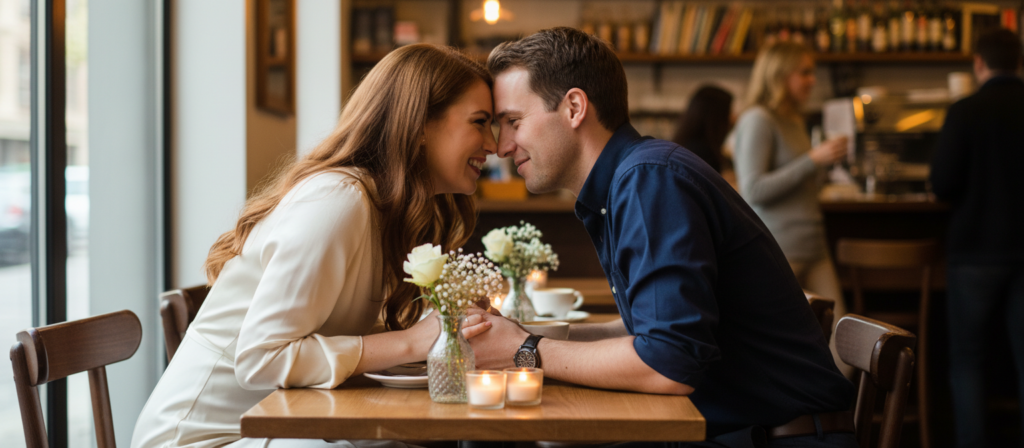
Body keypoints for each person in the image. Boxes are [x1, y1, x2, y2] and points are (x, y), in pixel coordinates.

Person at [470, 27, 856, 447]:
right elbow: (644, 332)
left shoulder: (649, 180)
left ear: (574, 108)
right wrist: (519, 332)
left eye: (513, 121)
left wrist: (524, 348)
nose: (501, 146)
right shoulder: (632, 178)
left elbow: (667, 363)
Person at [131, 44, 498, 448]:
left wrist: (444, 331)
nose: (494, 144)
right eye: (480, 122)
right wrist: (414, 340)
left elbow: (330, 332)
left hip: (284, 423)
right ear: (420, 126)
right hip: (204, 439)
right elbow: (259, 360)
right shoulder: (339, 200)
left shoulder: (384, 208)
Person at [731, 43, 851, 375]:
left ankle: (838, 425)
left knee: (847, 345)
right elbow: (753, 189)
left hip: (814, 246)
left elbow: (798, 180)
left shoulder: (793, 119)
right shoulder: (757, 119)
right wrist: (814, 160)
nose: (813, 80)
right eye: (805, 72)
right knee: (782, 352)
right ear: (780, 76)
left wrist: (825, 165)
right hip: (781, 249)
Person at [930, 28, 1024, 448]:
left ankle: (972, 442)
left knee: (968, 358)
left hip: (975, 251)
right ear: (1019, 62)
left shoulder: (965, 111)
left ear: (979, 63)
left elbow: (942, 182)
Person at [671, 85, 734, 174]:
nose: (731, 119)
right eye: (728, 114)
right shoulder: (705, 156)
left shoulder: (684, 146)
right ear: (716, 118)